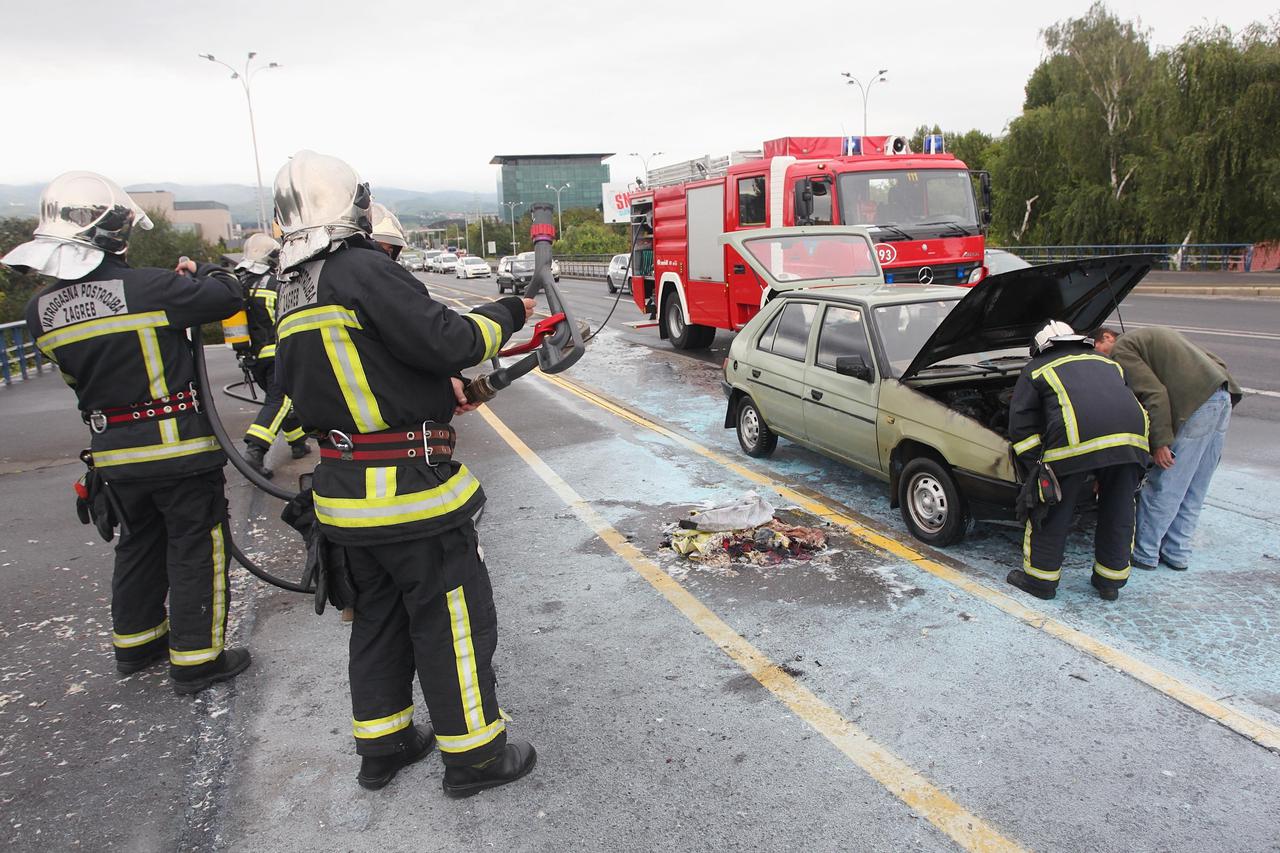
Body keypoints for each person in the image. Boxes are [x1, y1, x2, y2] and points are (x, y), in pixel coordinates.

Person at [271, 150, 537, 794]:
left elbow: (344, 375)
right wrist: (511, 312)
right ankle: (475, 758)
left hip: (343, 498)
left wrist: (434, 398)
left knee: (378, 620)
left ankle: (384, 746)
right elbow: (452, 339)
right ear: (351, 206)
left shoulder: (291, 285)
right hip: (409, 497)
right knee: (450, 620)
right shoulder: (359, 266)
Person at [4, 171, 252, 692]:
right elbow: (228, 295)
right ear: (113, 233)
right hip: (179, 450)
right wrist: (201, 268)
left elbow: (78, 380)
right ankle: (198, 660)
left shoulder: (39, 312)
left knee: (138, 544)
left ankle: (136, 645)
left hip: (113, 454)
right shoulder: (149, 287)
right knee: (194, 545)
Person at [1006, 321, 1151, 602]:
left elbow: (1021, 429)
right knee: (1119, 510)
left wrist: (1038, 467)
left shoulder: (1035, 369)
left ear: (1040, 347)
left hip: (1073, 447)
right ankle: (1110, 582)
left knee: (1050, 510)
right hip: (1131, 444)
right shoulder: (1108, 363)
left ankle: (1040, 581)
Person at [1095, 325, 1241, 571]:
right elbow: (1216, 361)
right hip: (1222, 395)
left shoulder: (1123, 348)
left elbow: (1155, 394)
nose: (1102, 357)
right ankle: (1176, 552)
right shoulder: (1151, 336)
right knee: (1195, 485)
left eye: (1098, 349)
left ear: (1108, 337)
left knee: (1166, 483)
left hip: (1198, 406)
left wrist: (1160, 442)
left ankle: (1145, 553)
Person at [237, 233, 309, 478]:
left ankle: (298, 443)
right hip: (276, 354)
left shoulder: (240, 284)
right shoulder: (275, 284)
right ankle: (255, 452)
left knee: (280, 401)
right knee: (281, 401)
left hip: (253, 358)